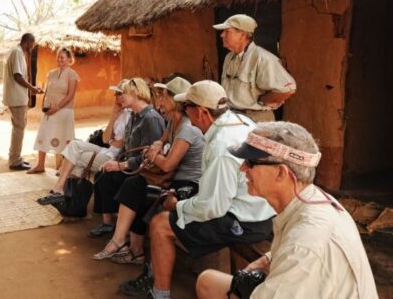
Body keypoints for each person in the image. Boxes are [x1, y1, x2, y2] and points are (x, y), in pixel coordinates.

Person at [120, 80, 275, 299]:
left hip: (244, 221)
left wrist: (178, 205)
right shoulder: (239, 121)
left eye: (187, 109)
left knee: (160, 224)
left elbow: (213, 207)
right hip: (257, 210)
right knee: (167, 202)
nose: (186, 114)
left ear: (201, 112)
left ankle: (159, 293)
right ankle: (152, 274)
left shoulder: (222, 146)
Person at [196, 121, 378, 299]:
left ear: (281, 173)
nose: (242, 168)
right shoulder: (312, 199)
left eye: (250, 162)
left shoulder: (304, 244)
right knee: (208, 282)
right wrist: (268, 259)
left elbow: (301, 249)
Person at [93, 76, 204, 265]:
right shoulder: (172, 122)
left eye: (164, 96)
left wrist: (153, 154)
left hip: (185, 183)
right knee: (133, 185)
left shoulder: (186, 128)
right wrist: (157, 145)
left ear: (175, 101)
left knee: (141, 192)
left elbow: (168, 164)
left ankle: (131, 249)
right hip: (171, 177)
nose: (159, 100)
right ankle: (126, 244)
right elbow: (160, 141)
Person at [91, 78, 165, 241]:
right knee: (102, 175)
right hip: (130, 166)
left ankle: (121, 231)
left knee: (117, 180)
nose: (120, 97)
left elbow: (149, 157)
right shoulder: (134, 116)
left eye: (123, 93)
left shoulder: (150, 119)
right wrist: (115, 161)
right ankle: (109, 223)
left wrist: (120, 165)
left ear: (136, 93)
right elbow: (127, 147)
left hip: (143, 171)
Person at [36, 80, 131, 206]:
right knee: (73, 145)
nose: (116, 97)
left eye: (119, 94)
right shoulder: (120, 113)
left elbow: (120, 144)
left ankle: (68, 197)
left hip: (115, 157)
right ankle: (60, 189)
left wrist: (112, 140)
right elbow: (105, 139)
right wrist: (113, 116)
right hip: (108, 150)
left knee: (76, 158)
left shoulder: (131, 115)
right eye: (116, 94)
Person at [213, 14, 296, 122]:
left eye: (227, 31)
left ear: (242, 34)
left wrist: (263, 100)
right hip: (233, 117)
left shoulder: (262, 58)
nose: (222, 35)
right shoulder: (229, 57)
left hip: (256, 118)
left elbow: (288, 89)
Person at [29, 47, 80, 174]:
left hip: (64, 112)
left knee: (65, 138)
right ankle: (40, 165)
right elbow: (49, 91)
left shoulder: (72, 75)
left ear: (69, 59)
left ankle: (64, 168)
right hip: (49, 110)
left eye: (62, 57)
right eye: (58, 57)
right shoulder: (51, 73)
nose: (59, 59)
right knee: (44, 134)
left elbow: (70, 95)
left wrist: (57, 108)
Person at [3, 33, 43, 171]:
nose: (33, 46)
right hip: (17, 98)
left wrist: (31, 89)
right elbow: (17, 76)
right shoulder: (18, 52)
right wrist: (31, 88)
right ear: (28, 42)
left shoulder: (18, 52)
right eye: (32, 43)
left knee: (18, 128)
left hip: (18, 97)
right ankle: (15, 161)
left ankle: (15, 157)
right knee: (19, 129)